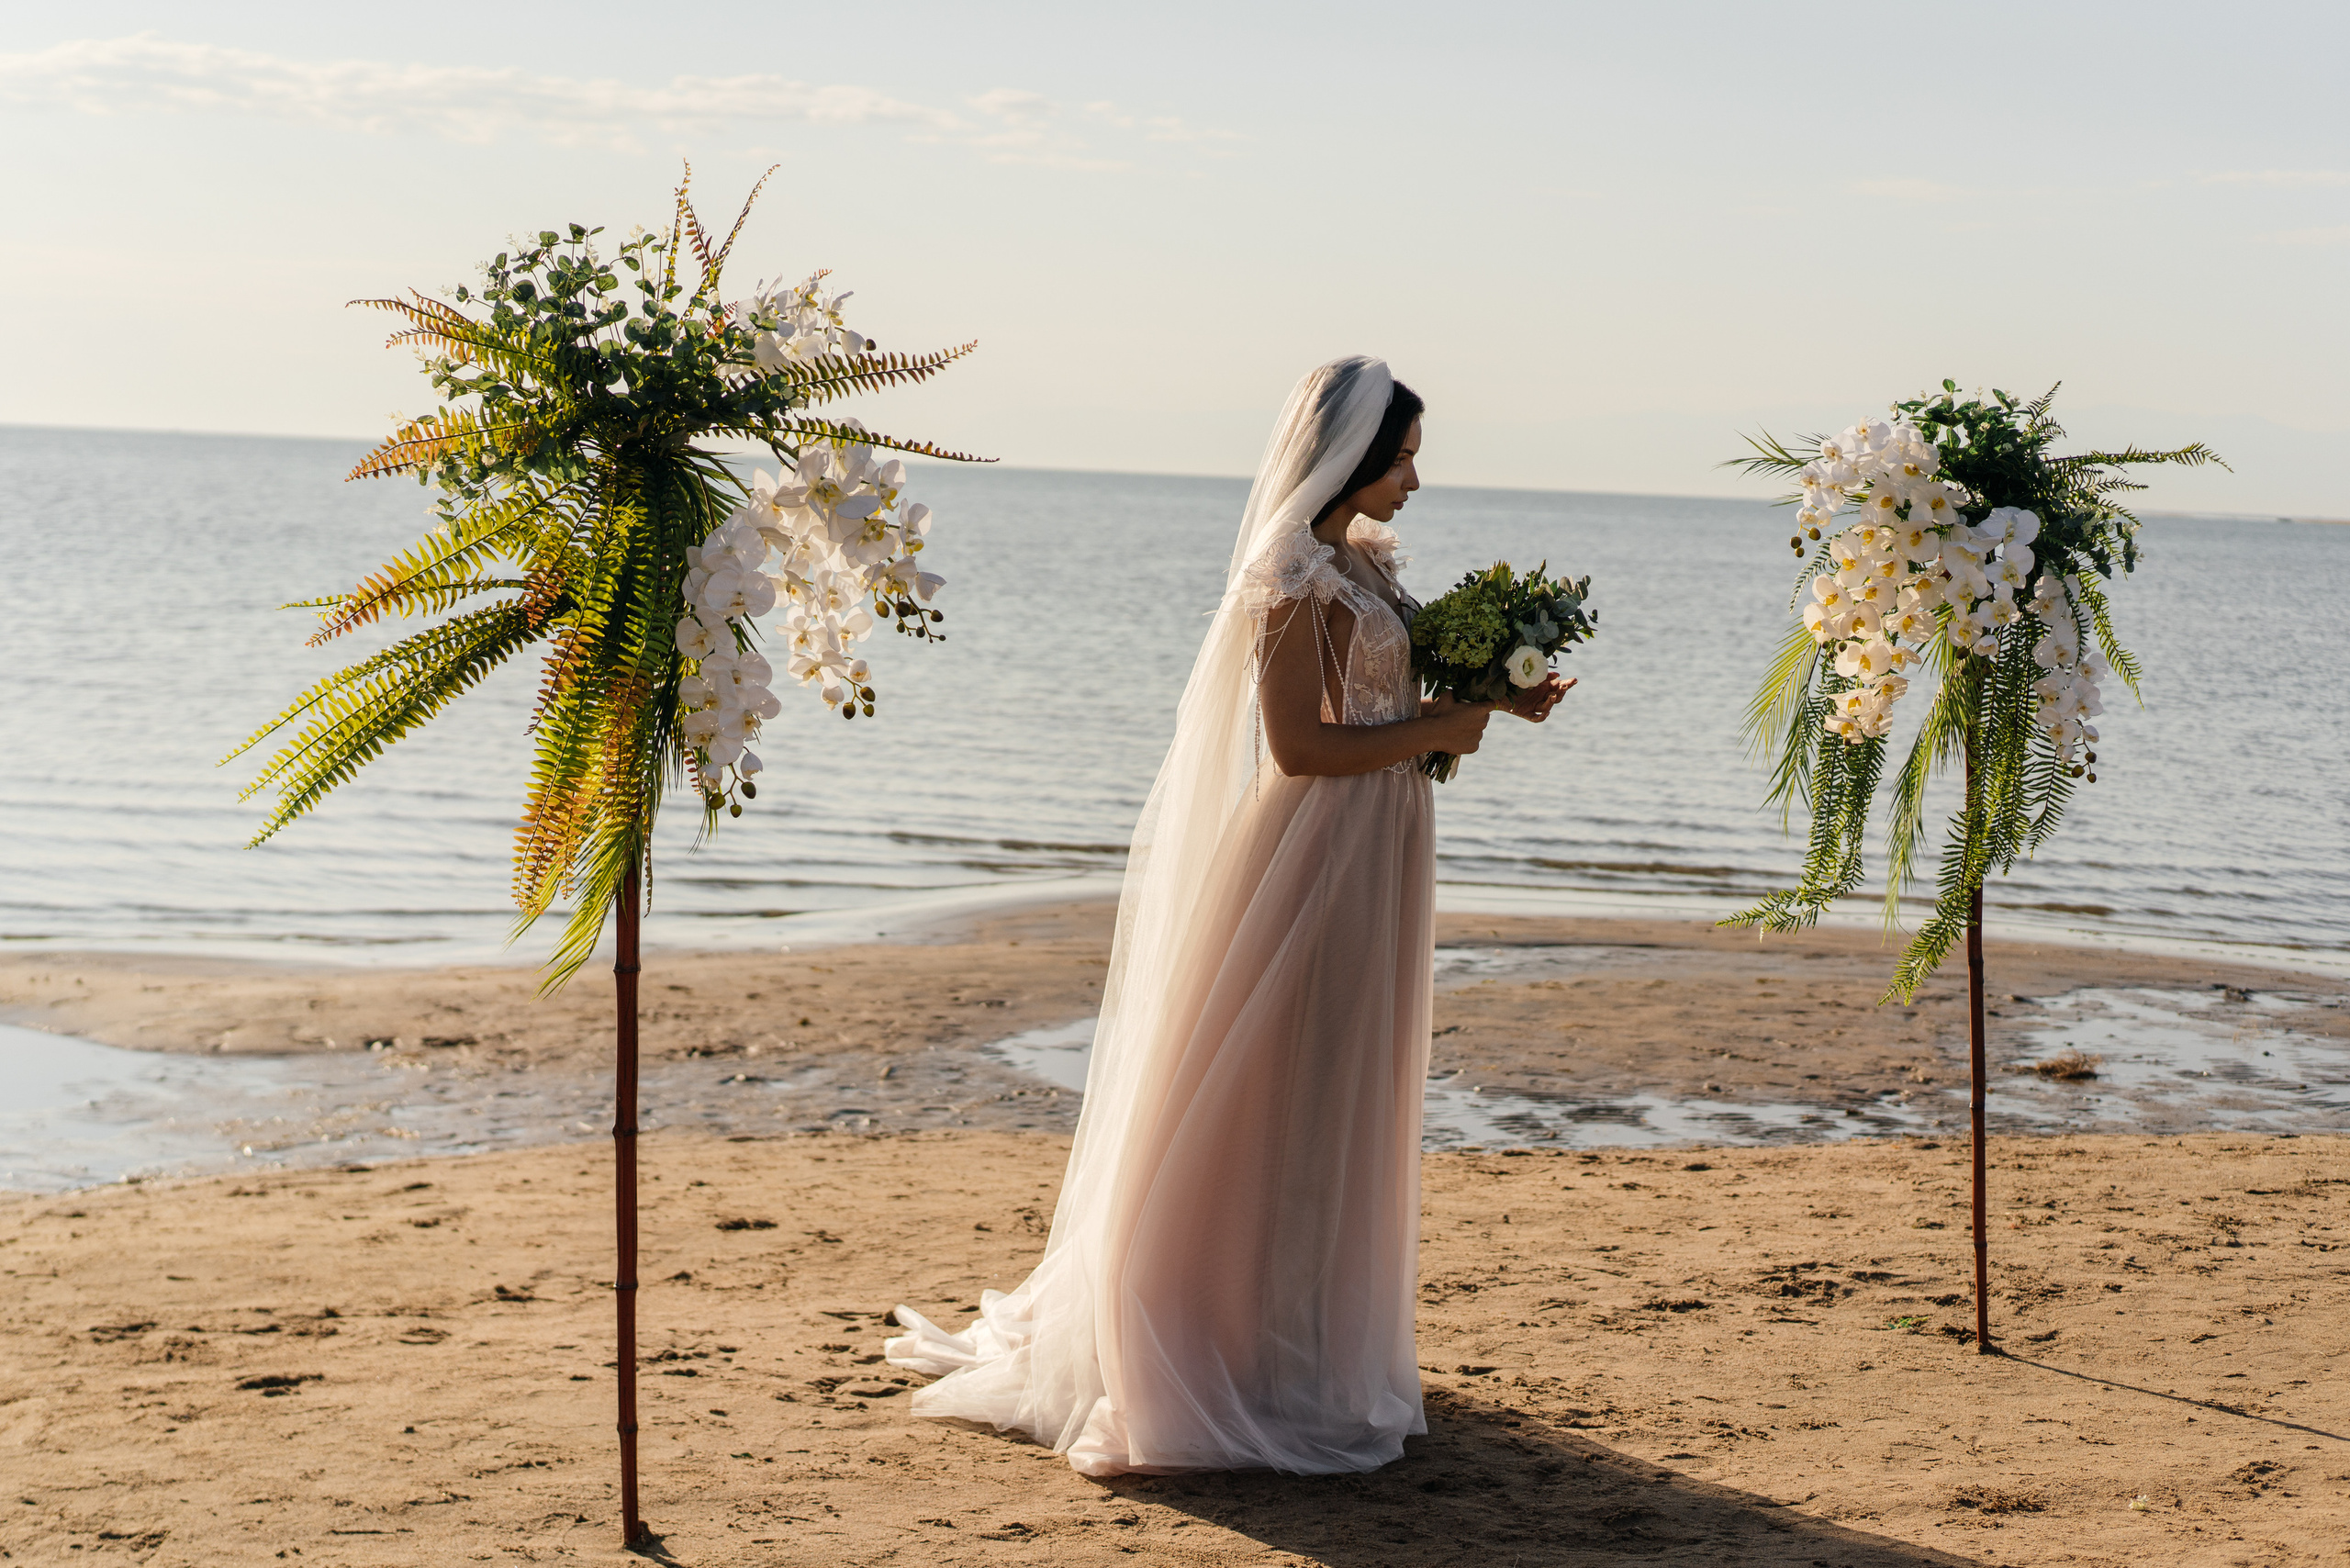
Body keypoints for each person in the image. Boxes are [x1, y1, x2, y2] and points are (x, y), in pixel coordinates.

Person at [885, 356, 1572, 1475]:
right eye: (1401, 457)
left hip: (1384, 843)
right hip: (1318, 850)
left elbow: (1391, 702)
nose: (1414, 480)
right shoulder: (1292, 569)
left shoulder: (1365, 559)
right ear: (1350, 457)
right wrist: (1438, 733)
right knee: (1278, 1090)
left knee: (1343, 1090)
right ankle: (1222, 1343)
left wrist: (1494, 699)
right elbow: (1300, 746)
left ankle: (1301, 1342)